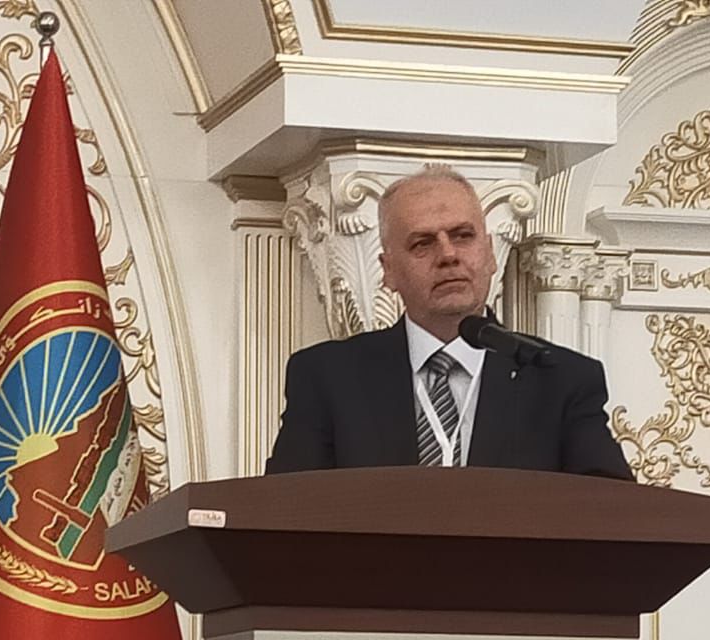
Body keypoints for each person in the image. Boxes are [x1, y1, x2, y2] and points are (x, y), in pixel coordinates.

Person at [265, 166, 633, 480]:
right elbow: (283, 510)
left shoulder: (558, 379)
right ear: (389, 270)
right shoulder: (328, 378)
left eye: (463, 236)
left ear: (490, 254)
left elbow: (613, 511)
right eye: (422, 244)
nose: (448, 255)